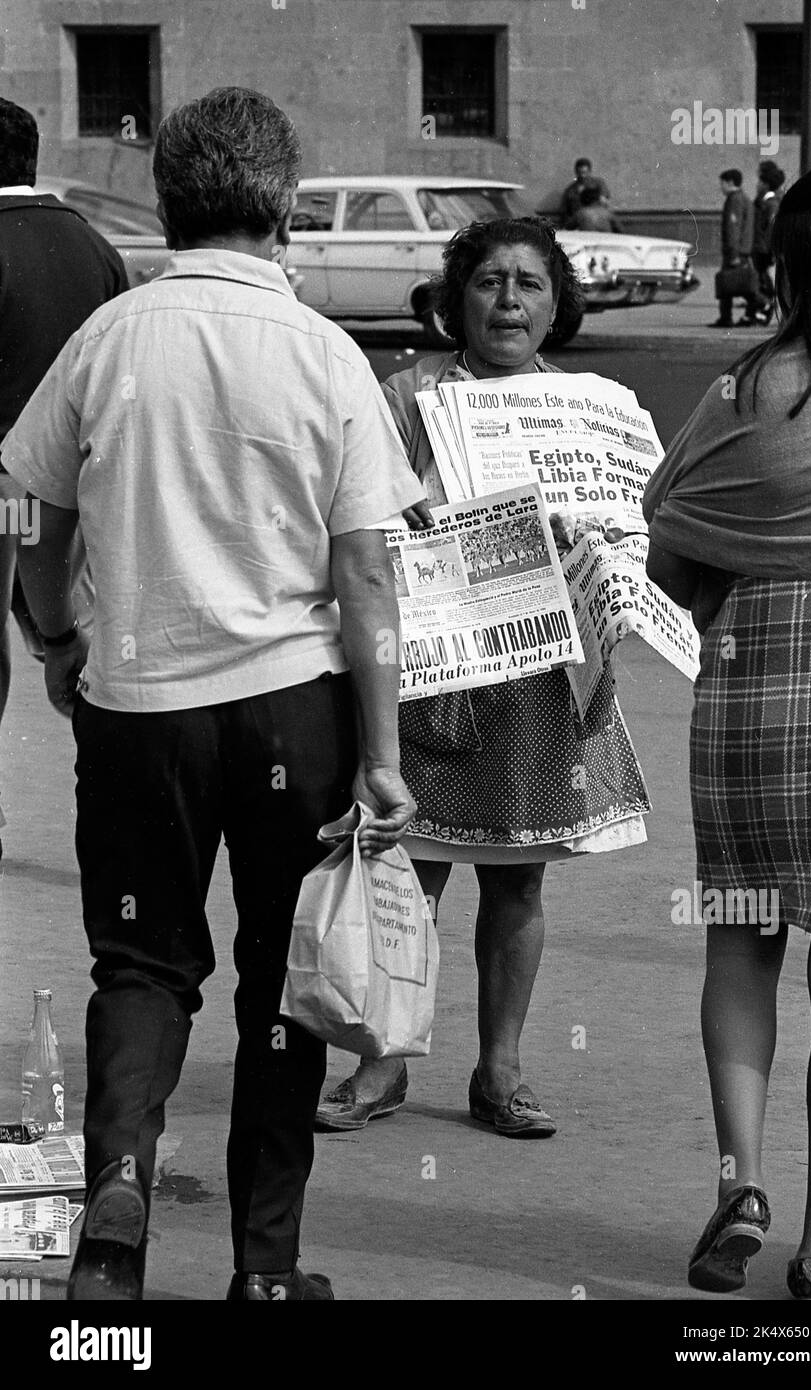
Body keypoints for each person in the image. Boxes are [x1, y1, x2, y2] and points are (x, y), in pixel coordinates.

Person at [1, 86, 424, 1302]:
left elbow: (27, 503)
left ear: (169, 202)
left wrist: (59, 628)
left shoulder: (110, 337)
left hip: (139, 706)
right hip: (295, 705)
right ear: (285, 208)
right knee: (278, 977)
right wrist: (383, 751)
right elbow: (365, 570)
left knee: (140, 963)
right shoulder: (325, 353)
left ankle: (117, 1196)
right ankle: (265, 1265)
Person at [315, 216, 650, 1139]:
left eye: (530, 285)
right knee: (408, 873)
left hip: (542, 676)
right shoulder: (407, 394)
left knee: (517, 883)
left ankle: (499, 1072)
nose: (509, 301)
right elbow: (359, 518)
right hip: (431, 670)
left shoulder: (595, 407)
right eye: (491, 281)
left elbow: (638, 525)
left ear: (557, 305)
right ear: (457, 298)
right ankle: (381, 1061)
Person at [643, 163, 811, 1301]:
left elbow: (668, 545)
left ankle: (737, 1184)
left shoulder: (741, 391)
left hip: (746, 694)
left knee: (738, 943)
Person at [0, 98, 127, 857]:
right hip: (76, 487)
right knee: (75, 641)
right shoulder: (93, 244)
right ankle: (109, 810)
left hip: (1, 490)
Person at [710, 169, 756, 329]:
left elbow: (733, 228)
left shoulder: (734, 200)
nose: (720, 187)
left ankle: (726, 316)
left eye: (722, 183)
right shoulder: (745, 199)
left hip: (735, 251)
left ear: (730, 182)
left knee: (728, 283)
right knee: (740, 283)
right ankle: (747, 312)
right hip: (744, 249)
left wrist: (733, 252)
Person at [749, 160, 785, 325]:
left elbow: (770, 229)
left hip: (763, 249)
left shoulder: (771, 204)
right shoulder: (764, 202)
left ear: (766, 184)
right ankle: (760, 310)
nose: (757, 185)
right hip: (760, 247)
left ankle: (764, 310)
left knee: (763, 281)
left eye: (760, 182)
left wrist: (770, 249)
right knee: (761, 280)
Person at [561, 157, 610, 229]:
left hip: (599, 222)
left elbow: (604, 200)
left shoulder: (599, 184)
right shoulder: (571, 189)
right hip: (578, 225)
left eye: (584, 173)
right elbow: (566, 211)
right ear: (576, 172)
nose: (582, 176)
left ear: (590, 171)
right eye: (579, 173)